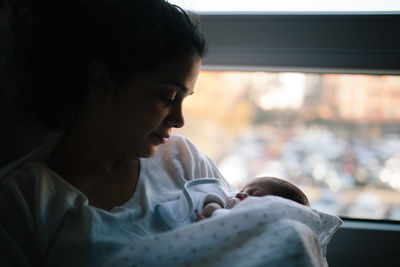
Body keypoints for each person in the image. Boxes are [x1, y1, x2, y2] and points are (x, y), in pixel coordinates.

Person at [0, 1, 232, 266]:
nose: (179, 120)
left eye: (184, 98)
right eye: (167, 97)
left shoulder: (185, 161)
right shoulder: (22, 201)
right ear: (101, 82)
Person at [200, 176, 310, 219]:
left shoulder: (258, 217)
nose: (239, 194)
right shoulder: (232, 203)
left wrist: (215, 211)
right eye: (242, 190)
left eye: (252, 193)